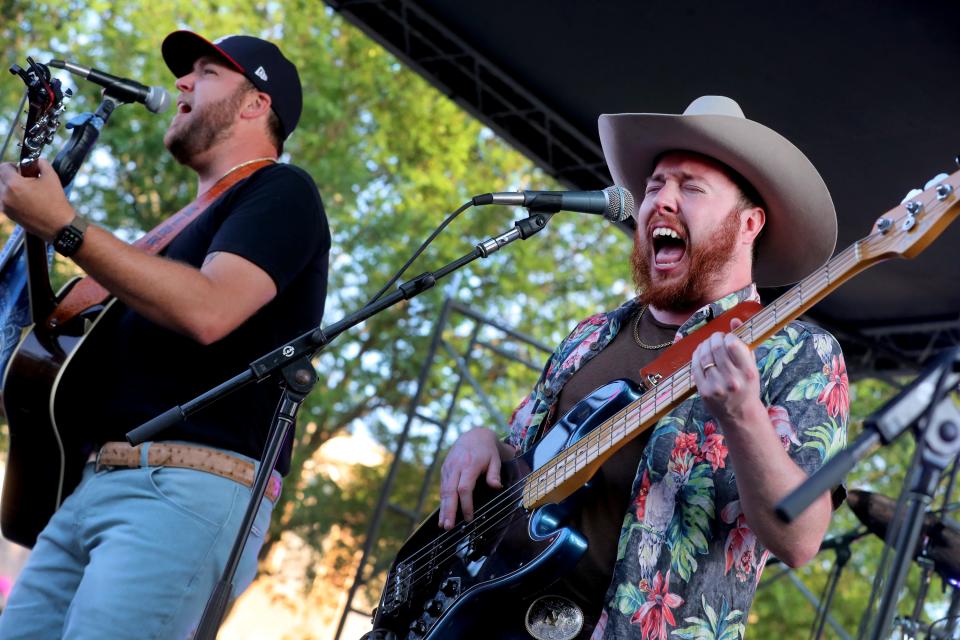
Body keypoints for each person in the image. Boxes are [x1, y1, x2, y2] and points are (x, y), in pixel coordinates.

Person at [438, 96, 848, 638]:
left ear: (749, 223)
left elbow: (800, 540)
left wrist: (743, 414)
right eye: (655, 186)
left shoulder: (795, 351)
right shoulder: (589, 335)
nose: (662, 201)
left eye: (691, 187)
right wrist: (481, 440)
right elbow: (520, 465)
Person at [0, 31, 330, 639]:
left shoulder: (283, 191)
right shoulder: (172, 235)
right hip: (95, 485)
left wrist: (67, 228)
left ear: (256, 104)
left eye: (206, 73)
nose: (180, 82)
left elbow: (210, 310)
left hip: (186, 489)